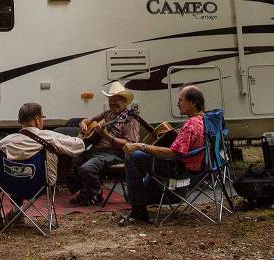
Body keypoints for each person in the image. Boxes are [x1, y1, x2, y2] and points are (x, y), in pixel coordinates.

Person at [0, 102, 85, 227]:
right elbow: (79, 146)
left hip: (10, 186)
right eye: (43, 118)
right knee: (26, 172)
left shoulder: (4, 143)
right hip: (40, 185)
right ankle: (17, 212)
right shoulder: (49, 137)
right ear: (37, 120)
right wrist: (80, 135)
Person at [122, 84, 206, 223]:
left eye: (181, 100)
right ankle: (143, 194)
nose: (178, 103)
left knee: (132, 157)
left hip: (182, 170)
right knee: (144, 157)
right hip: (201, 169)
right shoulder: (205, 120)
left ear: (193, 102)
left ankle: (139, 211)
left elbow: (172, 154)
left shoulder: (191, 124)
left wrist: (141, 145)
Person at [70, 81, 141, 206]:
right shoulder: (107, 114)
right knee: (70, 158)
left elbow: (130, 144)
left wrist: (106, 136)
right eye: (111, 99)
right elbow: (88, 120)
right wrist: (83, 123)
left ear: (125, 102)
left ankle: (94, 191)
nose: (113, 103)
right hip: (97, 152)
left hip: (114, 153)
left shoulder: (131, 120)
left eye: (117, 99)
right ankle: (84, 191)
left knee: (87, 168)